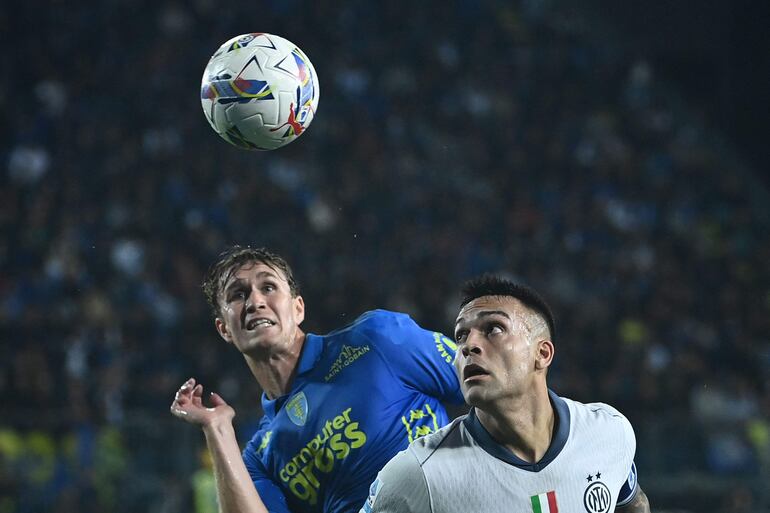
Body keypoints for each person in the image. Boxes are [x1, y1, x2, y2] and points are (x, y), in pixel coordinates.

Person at [170, 246, 463, 513]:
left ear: (298, 308)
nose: (255, 301)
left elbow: (493, 386)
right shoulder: (261, 457)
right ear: (224, 330)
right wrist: (217, 429)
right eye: (238, 294)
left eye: (268, 287)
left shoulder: (377, 339)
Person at [362, 275, 651, 513]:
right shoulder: (417, 475)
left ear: (542, 353)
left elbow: (632, 503)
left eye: (493, 329)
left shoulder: (607, 431)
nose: (468, 345)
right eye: (461, 335)